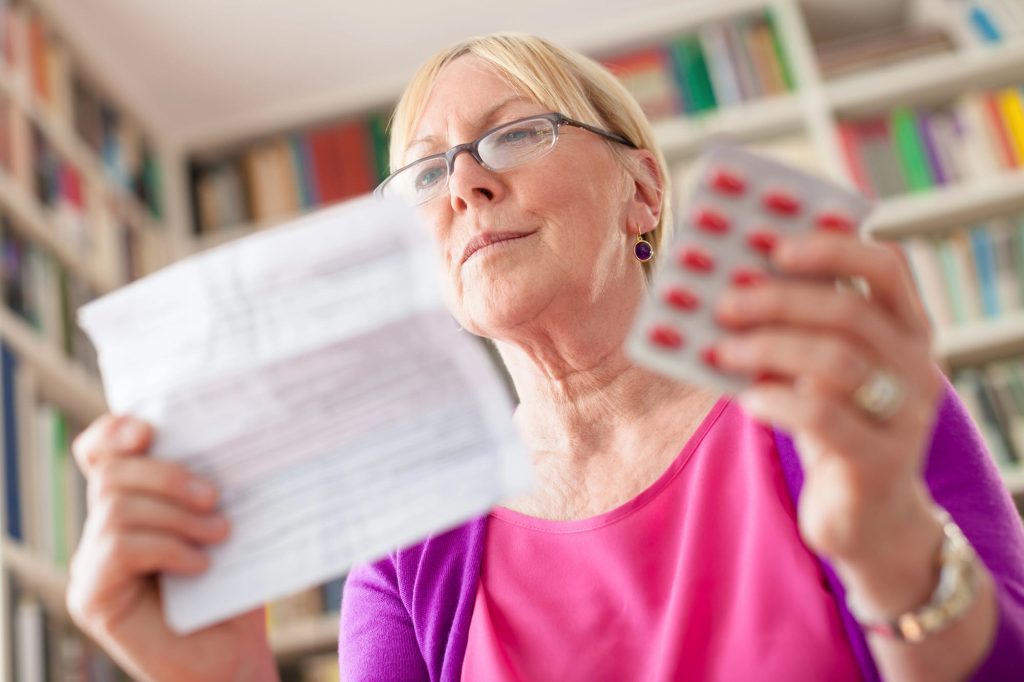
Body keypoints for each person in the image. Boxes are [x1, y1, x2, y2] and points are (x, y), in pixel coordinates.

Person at [67, 33, 1023, 681]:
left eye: (515, 133)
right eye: (427, 172)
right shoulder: (408, 543)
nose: (468, 184)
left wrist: (897, 555)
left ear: (641, 190)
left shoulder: (836, 403)